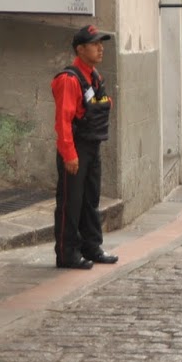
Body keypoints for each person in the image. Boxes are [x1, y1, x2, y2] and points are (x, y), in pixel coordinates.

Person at [50, 25, 120, 270]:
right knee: (71, 202)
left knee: (91, 199)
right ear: (80, 49)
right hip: (76, 148)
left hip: (93, 146)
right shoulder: (69, 80)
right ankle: (67, 252)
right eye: (95, 44)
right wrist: (69, 154)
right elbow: (63, 121)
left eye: (101, 43)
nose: (101, 48)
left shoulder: (95, 76)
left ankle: (92, 246)